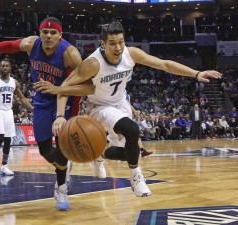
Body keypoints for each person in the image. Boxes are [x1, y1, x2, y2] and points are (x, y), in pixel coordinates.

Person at [35, 22, 222, 197]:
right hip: (99, 107)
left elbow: (164, 65)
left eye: (121, 42)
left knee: (129, 151)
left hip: (121, 103)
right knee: (133, 129)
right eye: (112, 43)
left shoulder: (131, 54)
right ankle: (136, 177)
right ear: (103, 44)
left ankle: (99, 153)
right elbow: (64, 87)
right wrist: (60, 116)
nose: (118, 48)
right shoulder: (93, 63)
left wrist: (196, 74)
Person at [0, 17, 93, 211]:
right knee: (45, 149)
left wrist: (69, 115)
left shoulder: (70, 53)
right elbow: (9, 45)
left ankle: (61, 187)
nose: (48, 36)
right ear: (39, 34)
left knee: (62, 146)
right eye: (45, 32)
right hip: (42, 100)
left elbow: (80, 85)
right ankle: (63, 168)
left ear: (60, 36)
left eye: (53, 33)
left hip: (66, 98)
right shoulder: (31, 44)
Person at [0, 59, 33, 177]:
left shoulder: (14, 82)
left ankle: (4, 166)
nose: (4, 67)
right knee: (0, 138)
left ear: (10, 68)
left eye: (7, 66)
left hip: (8, 111)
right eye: (2, 65)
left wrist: (33, 109)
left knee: (8, 139)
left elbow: (23, 98)